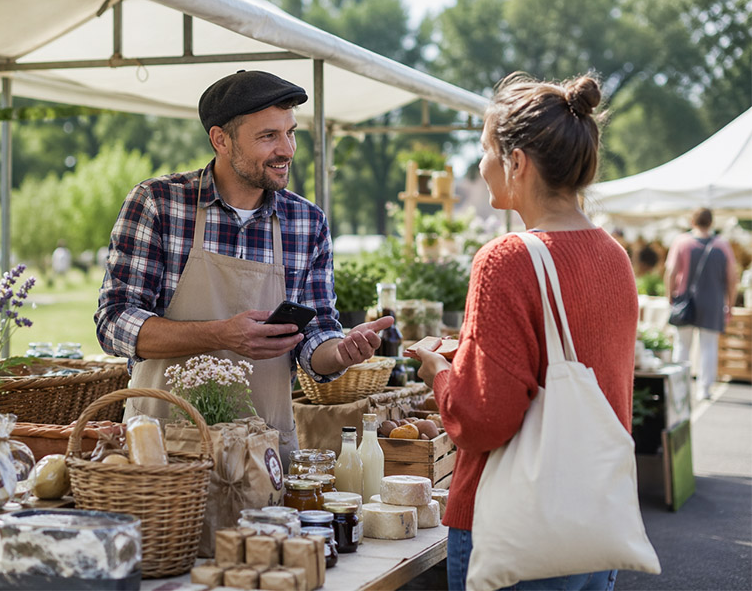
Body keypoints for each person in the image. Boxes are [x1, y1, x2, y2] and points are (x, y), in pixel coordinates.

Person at [95, 70, 391, 465]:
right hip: (161, 451)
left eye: (291, 133)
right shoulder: (159, 203)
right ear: (221, 139)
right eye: (268, 136)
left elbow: (315, 336)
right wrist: (221, 335)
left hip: (262, 453)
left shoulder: (307, 222)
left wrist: (340, 352)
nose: (287, 149)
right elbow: (114, 323)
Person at [415, 72, 635, 591]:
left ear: (517, 162)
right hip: (595, 517)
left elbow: (483, 421)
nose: (479, 165)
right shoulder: (614, 256)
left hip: (516, 526)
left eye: (484, 150)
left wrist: (442, 376)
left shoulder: (506, 259)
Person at [665, 208, 738, 400]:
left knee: (682, 345)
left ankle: (679, 389)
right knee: (709, 346)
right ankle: (704, 389)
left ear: (692, 221)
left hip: (685, 300)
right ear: (711, 222)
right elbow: (732, 278)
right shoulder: (722, 245)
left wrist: (670, 297)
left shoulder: (681, 242)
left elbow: (671, 272)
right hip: (713, 302)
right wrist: (730, 304)